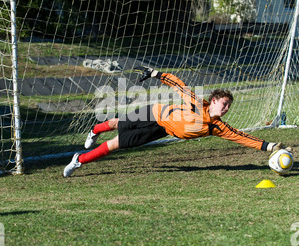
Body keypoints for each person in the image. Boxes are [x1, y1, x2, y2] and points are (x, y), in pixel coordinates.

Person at [63, 68, 291, 177]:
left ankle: (78, 160)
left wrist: (270, 146)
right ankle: (94, 130)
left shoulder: (217, 127)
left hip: (160, 130)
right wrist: (155, 73)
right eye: (224, 104)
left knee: (114, 145)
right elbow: (178, 84)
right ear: (213, 101)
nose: (227, 109)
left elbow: (242, 137)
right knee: (116, 123)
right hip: (154, 112)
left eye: (229, 106)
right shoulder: (195, 102)